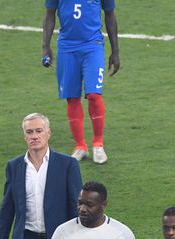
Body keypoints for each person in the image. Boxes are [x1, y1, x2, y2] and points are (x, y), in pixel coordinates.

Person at [42, 0, 119, 164]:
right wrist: (46, 46)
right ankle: (80, 147)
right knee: (72, 97)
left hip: (93, 46)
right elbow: (50, 14)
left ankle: (98, 144)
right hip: (66, 48)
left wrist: (115, 52)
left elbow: (110, 15)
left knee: (93, 95)